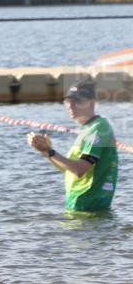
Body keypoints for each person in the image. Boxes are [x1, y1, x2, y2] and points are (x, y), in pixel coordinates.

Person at [28, 81, 118, 213]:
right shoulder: (87, 128)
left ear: (92, 103)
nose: (71, 106)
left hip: (91, 209)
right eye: (68, 102)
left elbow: (80, 169)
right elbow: (69, 169)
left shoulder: (99, 128)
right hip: (78, 207)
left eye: (77, 101)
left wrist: (49, 151)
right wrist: (46, 152)